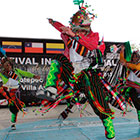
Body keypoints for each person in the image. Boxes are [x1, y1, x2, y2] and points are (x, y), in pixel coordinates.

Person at [44, 6, 116, 140]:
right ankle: (50, 88)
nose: (80, 31)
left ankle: (109, 128)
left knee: (98, 103)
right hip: (72, 74)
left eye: (82, 27)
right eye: (77, 26)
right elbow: (62, 28)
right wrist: (53, 22)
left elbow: (92, 46)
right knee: (58, 58)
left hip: (88, 75)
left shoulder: (93, 37)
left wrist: (74, 35)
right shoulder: (69, 36)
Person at [0, 57, 40, 130]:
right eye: (6, 66)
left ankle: (13, 122)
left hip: (16, 91)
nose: (8, 67)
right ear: (4, 67)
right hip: (8, 92)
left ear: (11, 65)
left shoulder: (16, 71)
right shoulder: (2, 73)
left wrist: (34, 76)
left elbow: (26, 73)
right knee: (13, 107)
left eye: (9, 65)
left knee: (16, 107)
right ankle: (13, 120)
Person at [120, 45, 140, 123]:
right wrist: (122, 51)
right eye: (133, 57)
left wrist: (127, 64)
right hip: (131, 87)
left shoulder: (137, 65)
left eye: (136, 57)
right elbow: (122, 61)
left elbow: (137, 68)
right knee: (136, 101)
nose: (134, 58)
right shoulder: (131, 64)